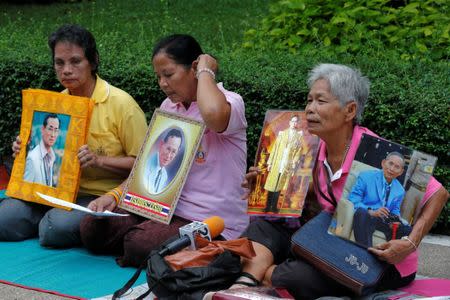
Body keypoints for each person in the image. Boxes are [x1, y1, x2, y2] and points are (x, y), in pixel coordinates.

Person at [211, 64, 448, 300]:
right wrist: (266, 188)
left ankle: (264, 275)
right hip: (332, 240)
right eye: (309, 100)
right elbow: (306, 198)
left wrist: (410, 243)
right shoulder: (313, 147)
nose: (309, 109)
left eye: (320, 101)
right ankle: (246, 283)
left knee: (297, 277)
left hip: (380, 259)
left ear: (350, 111)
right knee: (264, 227)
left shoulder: (376, 154)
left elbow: (439, 193)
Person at [80, 34, 249, 268]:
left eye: (168, 75)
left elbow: (212, 114)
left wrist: (206, 70)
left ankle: (204, 247)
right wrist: (114, 196)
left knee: (139, 243)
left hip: (210, 220)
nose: (162, 83)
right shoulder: (170, 106)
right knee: (92, 227)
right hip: (162, 207)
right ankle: (160, 241)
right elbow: (146, 167)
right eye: (158, 77)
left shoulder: (230, 102)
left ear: (194, 68)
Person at [0, 24, 147, 247]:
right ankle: (45, 218)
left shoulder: (122, 104)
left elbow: (143, 166)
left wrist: (99, 161)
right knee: (4, 220)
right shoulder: (57, 104)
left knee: (54, 230)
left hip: (97, 195)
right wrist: (26, 152)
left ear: (93, 61)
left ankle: (49, 221)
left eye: (75, 61)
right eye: (59, 63)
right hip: (52, 192)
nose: (66, 70)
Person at [350, 152, 411, 247]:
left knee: (407, 229)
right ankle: (365, 251)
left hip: (384, 221)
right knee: (361, 213)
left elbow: (395, 209)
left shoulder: (400, 190)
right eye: (390, 164)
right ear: (383, 163)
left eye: (397, 167)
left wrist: (395, 220)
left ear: (401, 172)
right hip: (368, 215)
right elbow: (353, 199)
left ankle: (388, 254)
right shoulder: (366, 176)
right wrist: (372, 212)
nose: (392, 169)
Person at [264, 115, 303, 213]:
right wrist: (270, 162)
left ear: (297, 123)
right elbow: (275, 148)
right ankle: (268, 206)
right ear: (289, 122)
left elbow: (298, 151)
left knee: (279, 185)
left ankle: (274, 206)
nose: (294, 123)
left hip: (287, 164)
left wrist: (294, 163)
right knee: (272, 184)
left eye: (296, 122)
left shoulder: (298, 136)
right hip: (278, 161)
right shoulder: (282, 134)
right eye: (293, 121)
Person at [24, 113, 61, 187]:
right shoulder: (32, 158)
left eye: (56, 130)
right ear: (43, 129)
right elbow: (25, 190)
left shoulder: (52, 156)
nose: (53, 135)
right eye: (50, 129)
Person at [144, 128, 183, 194]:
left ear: (177, 152)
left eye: (174, 151)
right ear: (161, 144)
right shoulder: (144, 165)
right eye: (168, 149)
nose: (168, 155)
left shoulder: (164, 175)